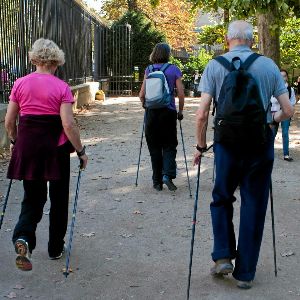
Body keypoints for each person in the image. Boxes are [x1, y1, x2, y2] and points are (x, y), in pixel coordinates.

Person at [193, 21, 294, 289]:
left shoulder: (214, 66)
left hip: (226, 144)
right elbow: (288, 110)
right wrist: (272, 119)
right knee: (254, 204)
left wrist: (200, 146)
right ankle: (246, 273)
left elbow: (202, 114)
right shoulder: (269, 66)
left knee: (221, 197)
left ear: (228, 40)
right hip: (259, 144)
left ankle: (223, 255)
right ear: (252, 41)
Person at [5, 38, 88, 271]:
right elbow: (68, 124)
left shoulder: (20, 84)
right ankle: (54, 248)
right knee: (59, 199)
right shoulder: (61, 87)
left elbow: (10, 121)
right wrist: (81, 151)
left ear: (33, 59)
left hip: (28, 147)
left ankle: (23, 238)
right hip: (56, 148)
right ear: (57, 62)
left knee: (32, 198)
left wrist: (14, 141)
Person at [139, 43, 185, 191]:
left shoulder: (149, 69)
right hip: (168, 112)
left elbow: (141, 94)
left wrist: (146, 106)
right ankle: (168, 175)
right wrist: (180, 111)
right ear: (168, 54)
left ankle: (156, 182)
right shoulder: (174, 70)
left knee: (154, 147)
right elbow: (181, 94)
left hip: (152, 113)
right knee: (170, 145)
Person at [271, 69, 296, 161]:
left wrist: (289, 110)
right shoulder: (273, 87)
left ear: (287, 77)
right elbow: (272, 101)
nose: (282, 78)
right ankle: (269, 153)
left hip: (285, 113)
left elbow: (292, 102)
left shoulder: (290, 89)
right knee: (272, 133)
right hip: (275, 113)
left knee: (285, 133)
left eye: (284, 76)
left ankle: (286, 154)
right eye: (280, 76)